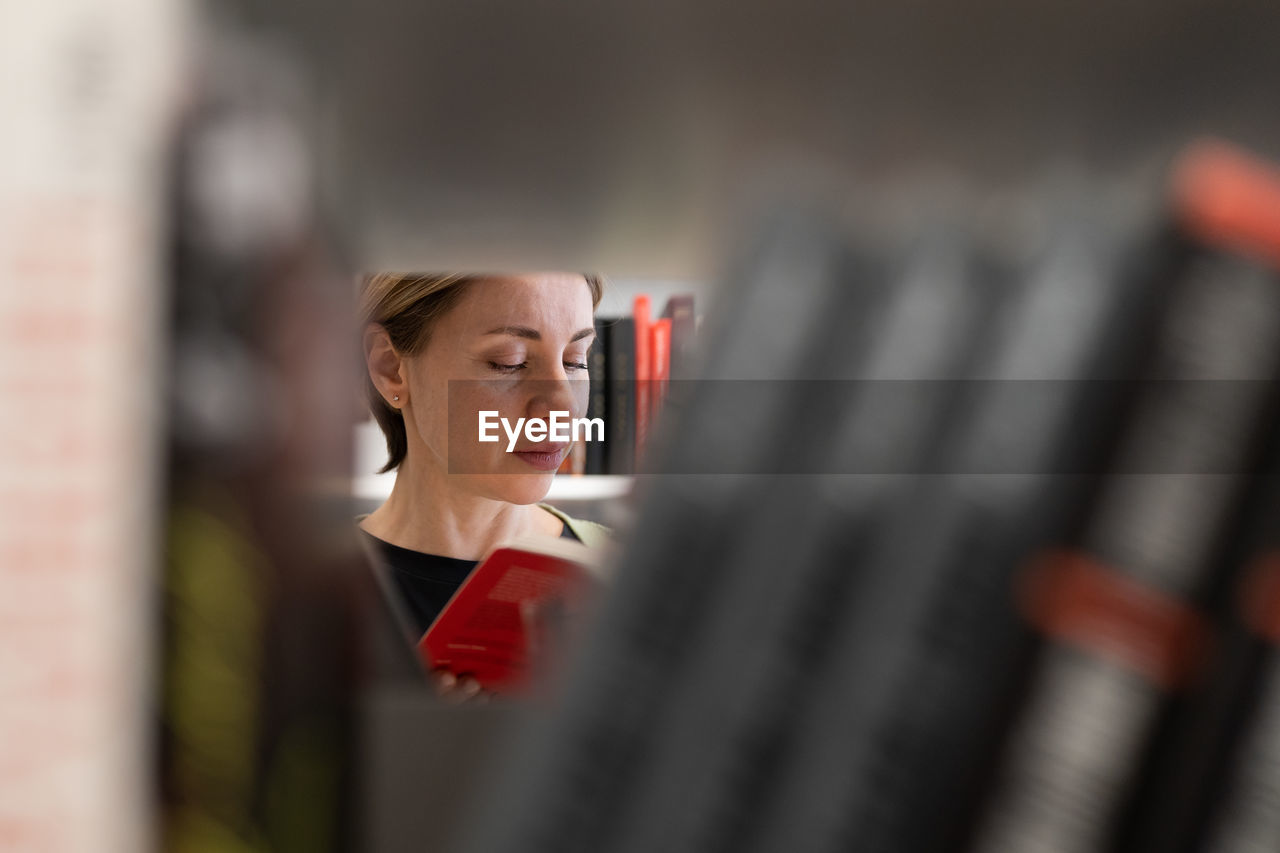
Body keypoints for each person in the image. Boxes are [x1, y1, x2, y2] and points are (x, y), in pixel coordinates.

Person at [356, 272, 611, 698]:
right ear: (390, 367)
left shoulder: (617, 571)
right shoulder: (306, 599)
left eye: (575, 360)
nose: (563, 404)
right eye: (508, 362)